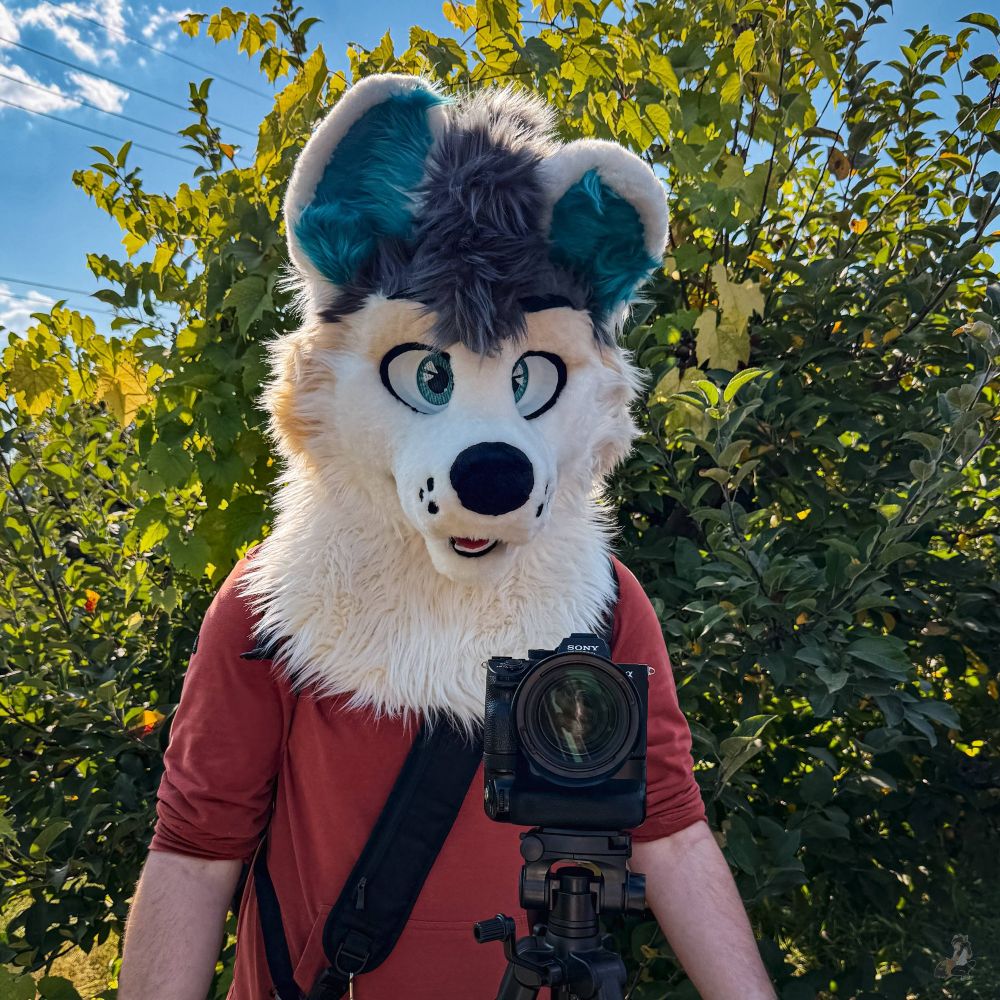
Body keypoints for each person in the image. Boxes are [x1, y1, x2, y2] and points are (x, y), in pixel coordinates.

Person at [118, 74, 777, 1000]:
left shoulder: (601, 601)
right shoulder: (272, 602)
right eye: (428, 376)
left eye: (532, 381)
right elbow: (195, 852)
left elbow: (669, 829)